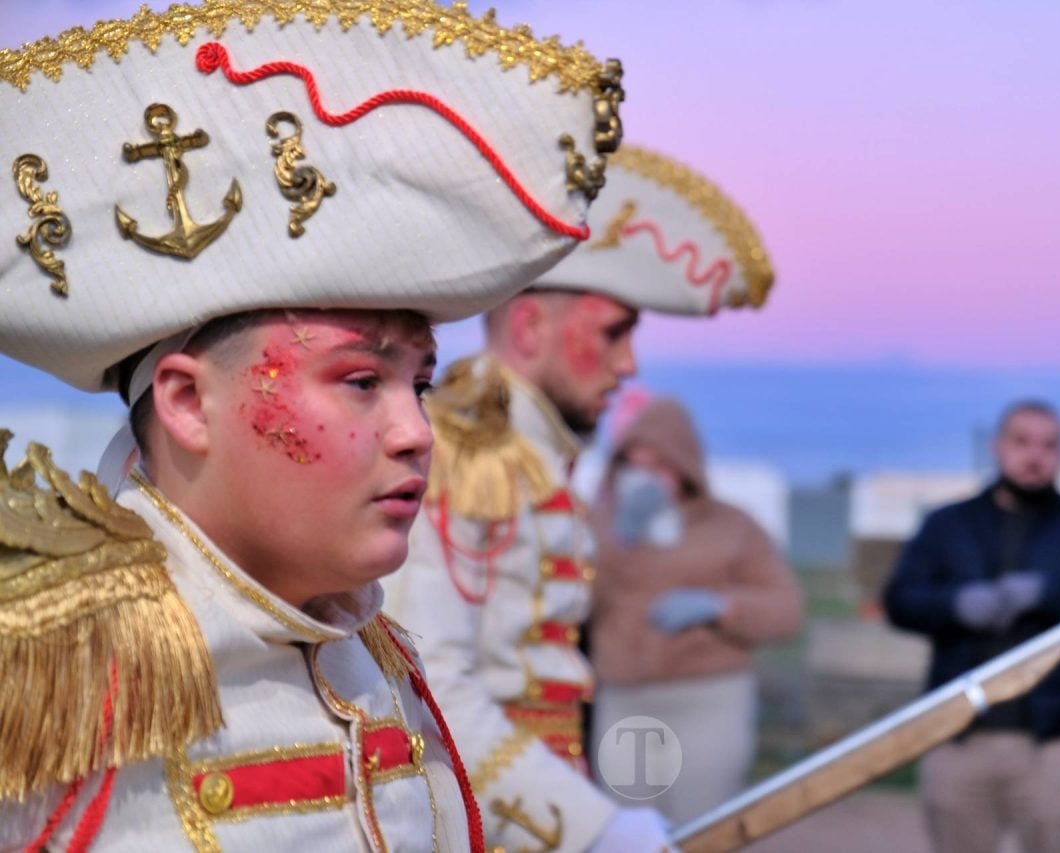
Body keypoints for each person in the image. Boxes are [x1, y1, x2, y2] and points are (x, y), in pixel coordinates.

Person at [0, 2, 621, 848]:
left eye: (422, 382)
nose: (415, 432)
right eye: (362, 380)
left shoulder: (376, 651)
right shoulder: (41, 672)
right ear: (187, 403)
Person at [383, 144, 775, 851]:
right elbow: (431, 687)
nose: (631, 364)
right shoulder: (466, 456)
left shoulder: (530, 460)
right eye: (614, 332)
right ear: (533, 328)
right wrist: (593, 825)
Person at [883, 400, 1060, 853]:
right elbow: (900, 601)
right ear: (997, 446)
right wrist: (955, 605)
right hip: (958, 731)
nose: (1034, 456)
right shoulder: (947, 525)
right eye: (1022, 442)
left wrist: (1051, 595)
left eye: (1049, 445)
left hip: (1054, 741)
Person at [588, 395, 804, 824]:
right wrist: (617, 540)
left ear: (684, 465)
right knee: (628, 833)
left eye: (658, 466)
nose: (644, 477)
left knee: (701, 826)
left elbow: (787, 609)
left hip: (708, 701)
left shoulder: (732, 526)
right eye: (634, 464)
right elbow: (575, 603)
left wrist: (721, 608)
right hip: (625, 702)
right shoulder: (601, 527)